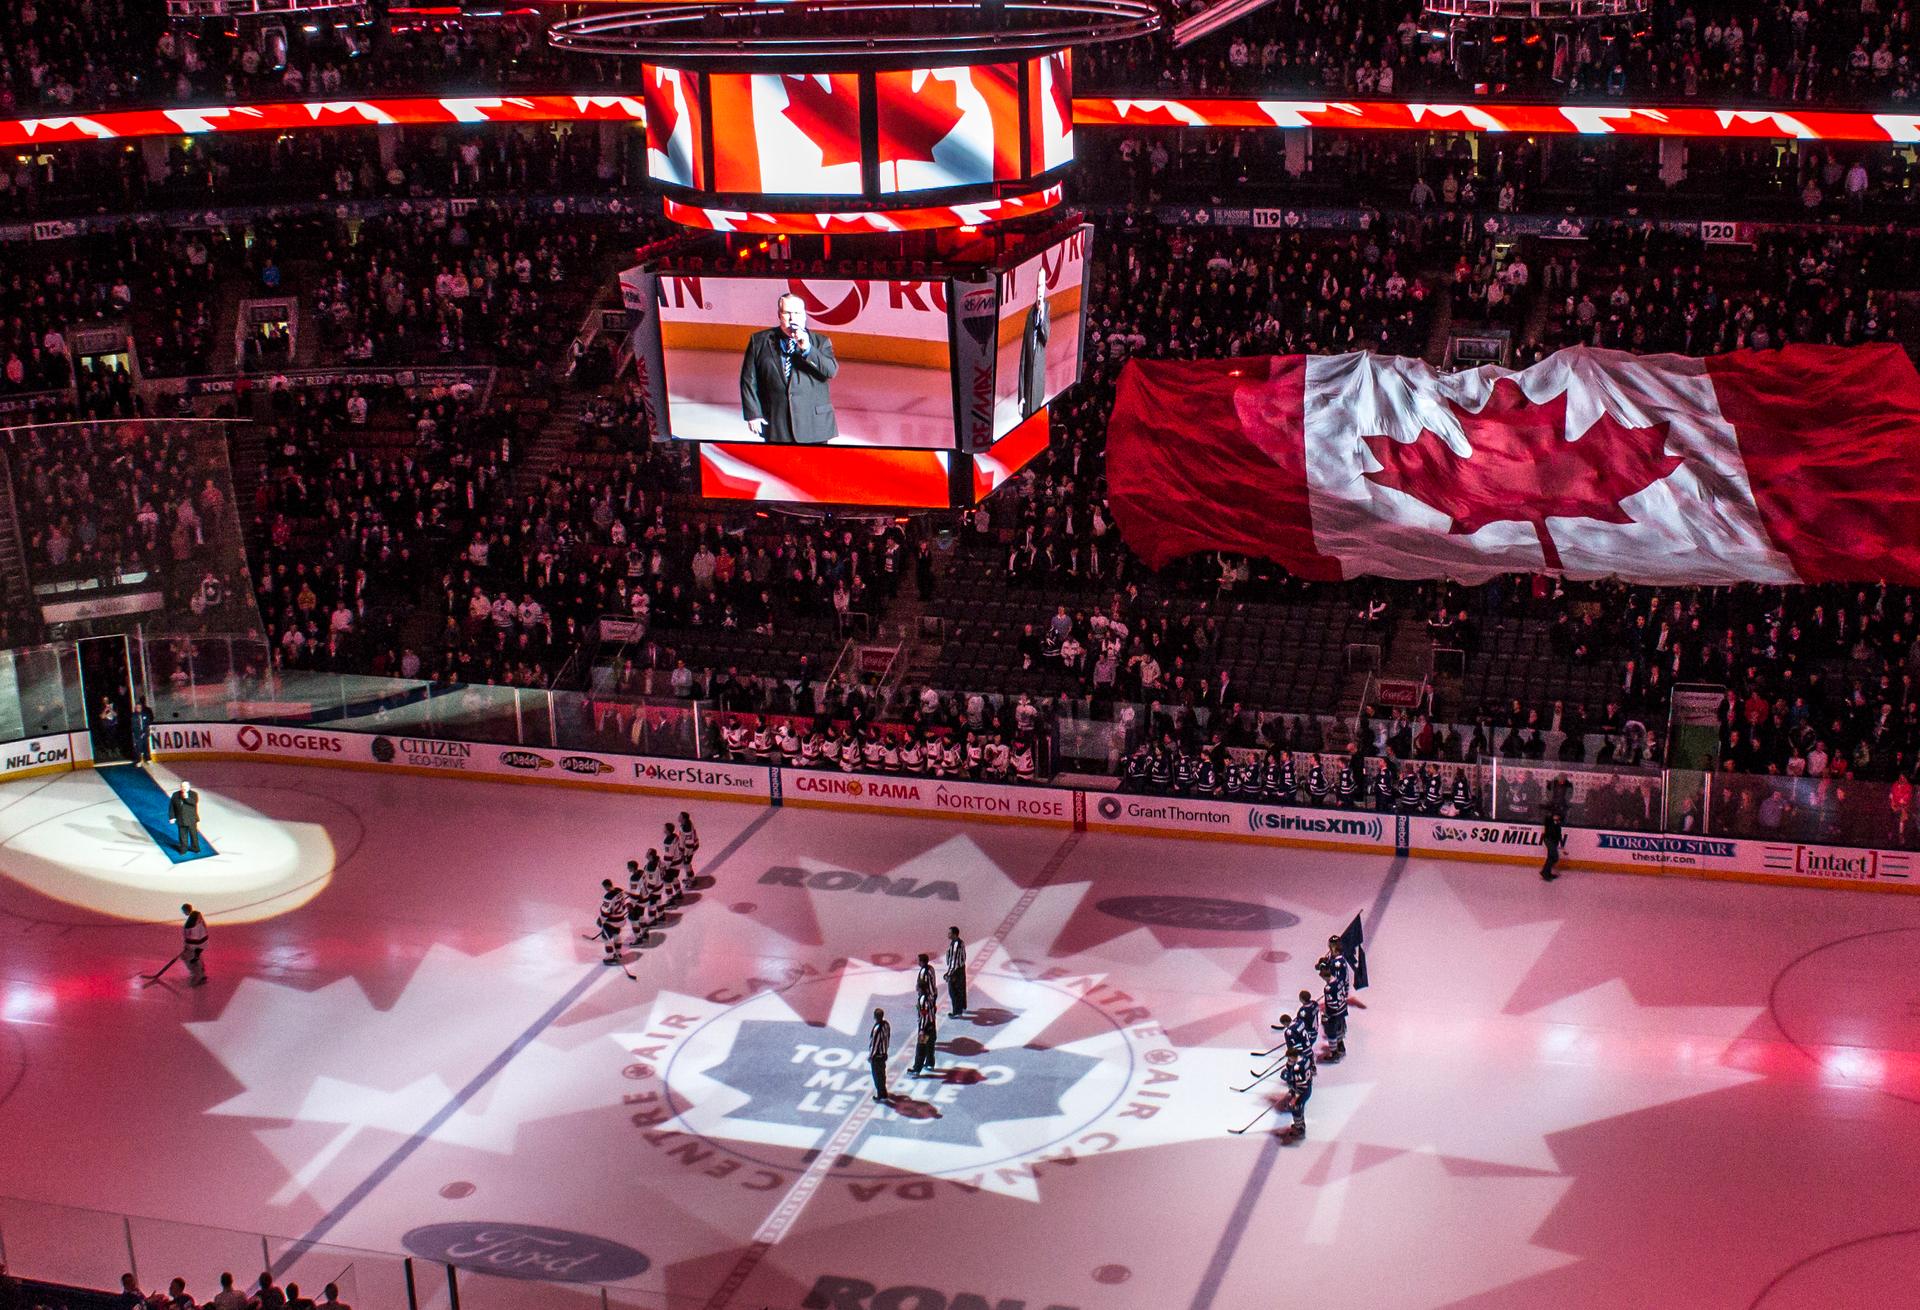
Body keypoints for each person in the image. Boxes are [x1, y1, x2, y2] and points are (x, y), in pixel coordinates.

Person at [740, 293, 840, 444]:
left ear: (805, 315)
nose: (793, 319)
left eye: (797, 313)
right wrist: (753, 413)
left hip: (814, 425)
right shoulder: (759, 341)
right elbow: (748, 379)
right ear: (779, 315)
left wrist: (807, 349)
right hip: (777, 424)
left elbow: (830, 371)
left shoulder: (820, 342)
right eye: (787, 313)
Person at [1019, 267, 1051, 418]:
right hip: (1027, 387)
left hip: (1037, 386)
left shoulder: (1046, 308)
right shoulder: (1029, 314)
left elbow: (1045, 338)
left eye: (1042, 286)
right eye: (1038, 286)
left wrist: (1042, 315)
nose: (1040, 290)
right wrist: (1020, 396)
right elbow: (1023, 356)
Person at [1277, 1040, 1316, 1142]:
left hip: (1302, 1091)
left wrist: (1294, 1097)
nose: (1289, 1060)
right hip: (1308, 1087)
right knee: (1298, 1107)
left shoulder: (1297, 1068)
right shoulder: (1304, 1058)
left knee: (1296, 1108)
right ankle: (1300, 1124)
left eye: (1290, 1058)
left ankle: (1299, 1129)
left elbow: (1299, 1085)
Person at [910, 974, 939, 1076]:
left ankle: (917, 1069)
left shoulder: (922, 1000)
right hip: (932, 1024)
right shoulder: (930, 997)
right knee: (930, 1045)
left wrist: (922, 1028)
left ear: (920, 988)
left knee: (921, 1047)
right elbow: (934, 1009)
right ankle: (930, 1063)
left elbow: (923, 1015)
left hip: (925, 1027)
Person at [596, 879, 628, 965]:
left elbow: (606, 912)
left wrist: (601, 920)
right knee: (616, 934)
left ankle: (610, 956)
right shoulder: (620, 891)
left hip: (612, 921)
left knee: (606, 937)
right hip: (621, 918)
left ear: (606, 886)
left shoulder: (608, 897)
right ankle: (618, 953)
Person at [170, 780, 202, 853]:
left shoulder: (194, 794)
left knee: (193, 835)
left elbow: (194, 803)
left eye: (186, 786)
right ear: (181, 787)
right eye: (182, 786)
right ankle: (183, 849)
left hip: (191, 819)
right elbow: (172, 806)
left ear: (189, 787)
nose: (184, 788)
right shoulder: (175, 795)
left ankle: (195, 848)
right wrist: (172, 817)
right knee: (182, 836)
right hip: (181, 818)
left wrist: (187, 798)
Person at [181, 903, 208, 987]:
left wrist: (187, 947)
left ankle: (197, 976)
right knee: (197, 955)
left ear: (185, 911)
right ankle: (202, 973)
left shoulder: (189, 924)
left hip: (196, 943)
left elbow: (190, 938)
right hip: (203, 940)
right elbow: (204, 925)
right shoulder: (197, 913)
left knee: (186, 957)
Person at [868, 1006, 892, 1101]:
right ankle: (883, 1092)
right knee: (882, 1074)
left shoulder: (877, 1029)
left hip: (877, 1055)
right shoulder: (886, 1024)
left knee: (877, 1076)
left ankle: (881, 1095)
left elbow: (874, 1044)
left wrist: (871, 1056)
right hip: (884, 1053)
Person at [944, 925, 968, 1017]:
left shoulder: (956, 945)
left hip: (956, 971)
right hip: (960, 968)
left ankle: (957, 1011)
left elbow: (954, 961)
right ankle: (962, 1006)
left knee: (953, 991)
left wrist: (949, 974)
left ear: (954, 934)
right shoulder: (959, 942)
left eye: (949, 933)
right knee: (961, 989)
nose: (948, 934)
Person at [1540, 805, 1565, 881]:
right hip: (1548, 839)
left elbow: (1559, 834)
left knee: (1551, 857)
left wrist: (1561, 844)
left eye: (1558, 816)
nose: (1556, 817)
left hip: (1554, 841)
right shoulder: (1548, 820)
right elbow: (1547, 818)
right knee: (1555, 857)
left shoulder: (1558, 823)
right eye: (1555, 815)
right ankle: (1545, 872)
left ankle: (1547, 872)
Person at [131, 699, 154, 765]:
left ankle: (148, 759)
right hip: (137, 734)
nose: (138, 709)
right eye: (137, 707)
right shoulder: (133, 716)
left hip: (145, 733)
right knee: (138, 747)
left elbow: (147, 723)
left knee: (146, 746)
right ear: (135, 708)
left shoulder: (145, 715)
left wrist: (145, 732)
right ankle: (138, 760)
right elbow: (133, 725)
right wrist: (138, 732)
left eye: (140, 707)